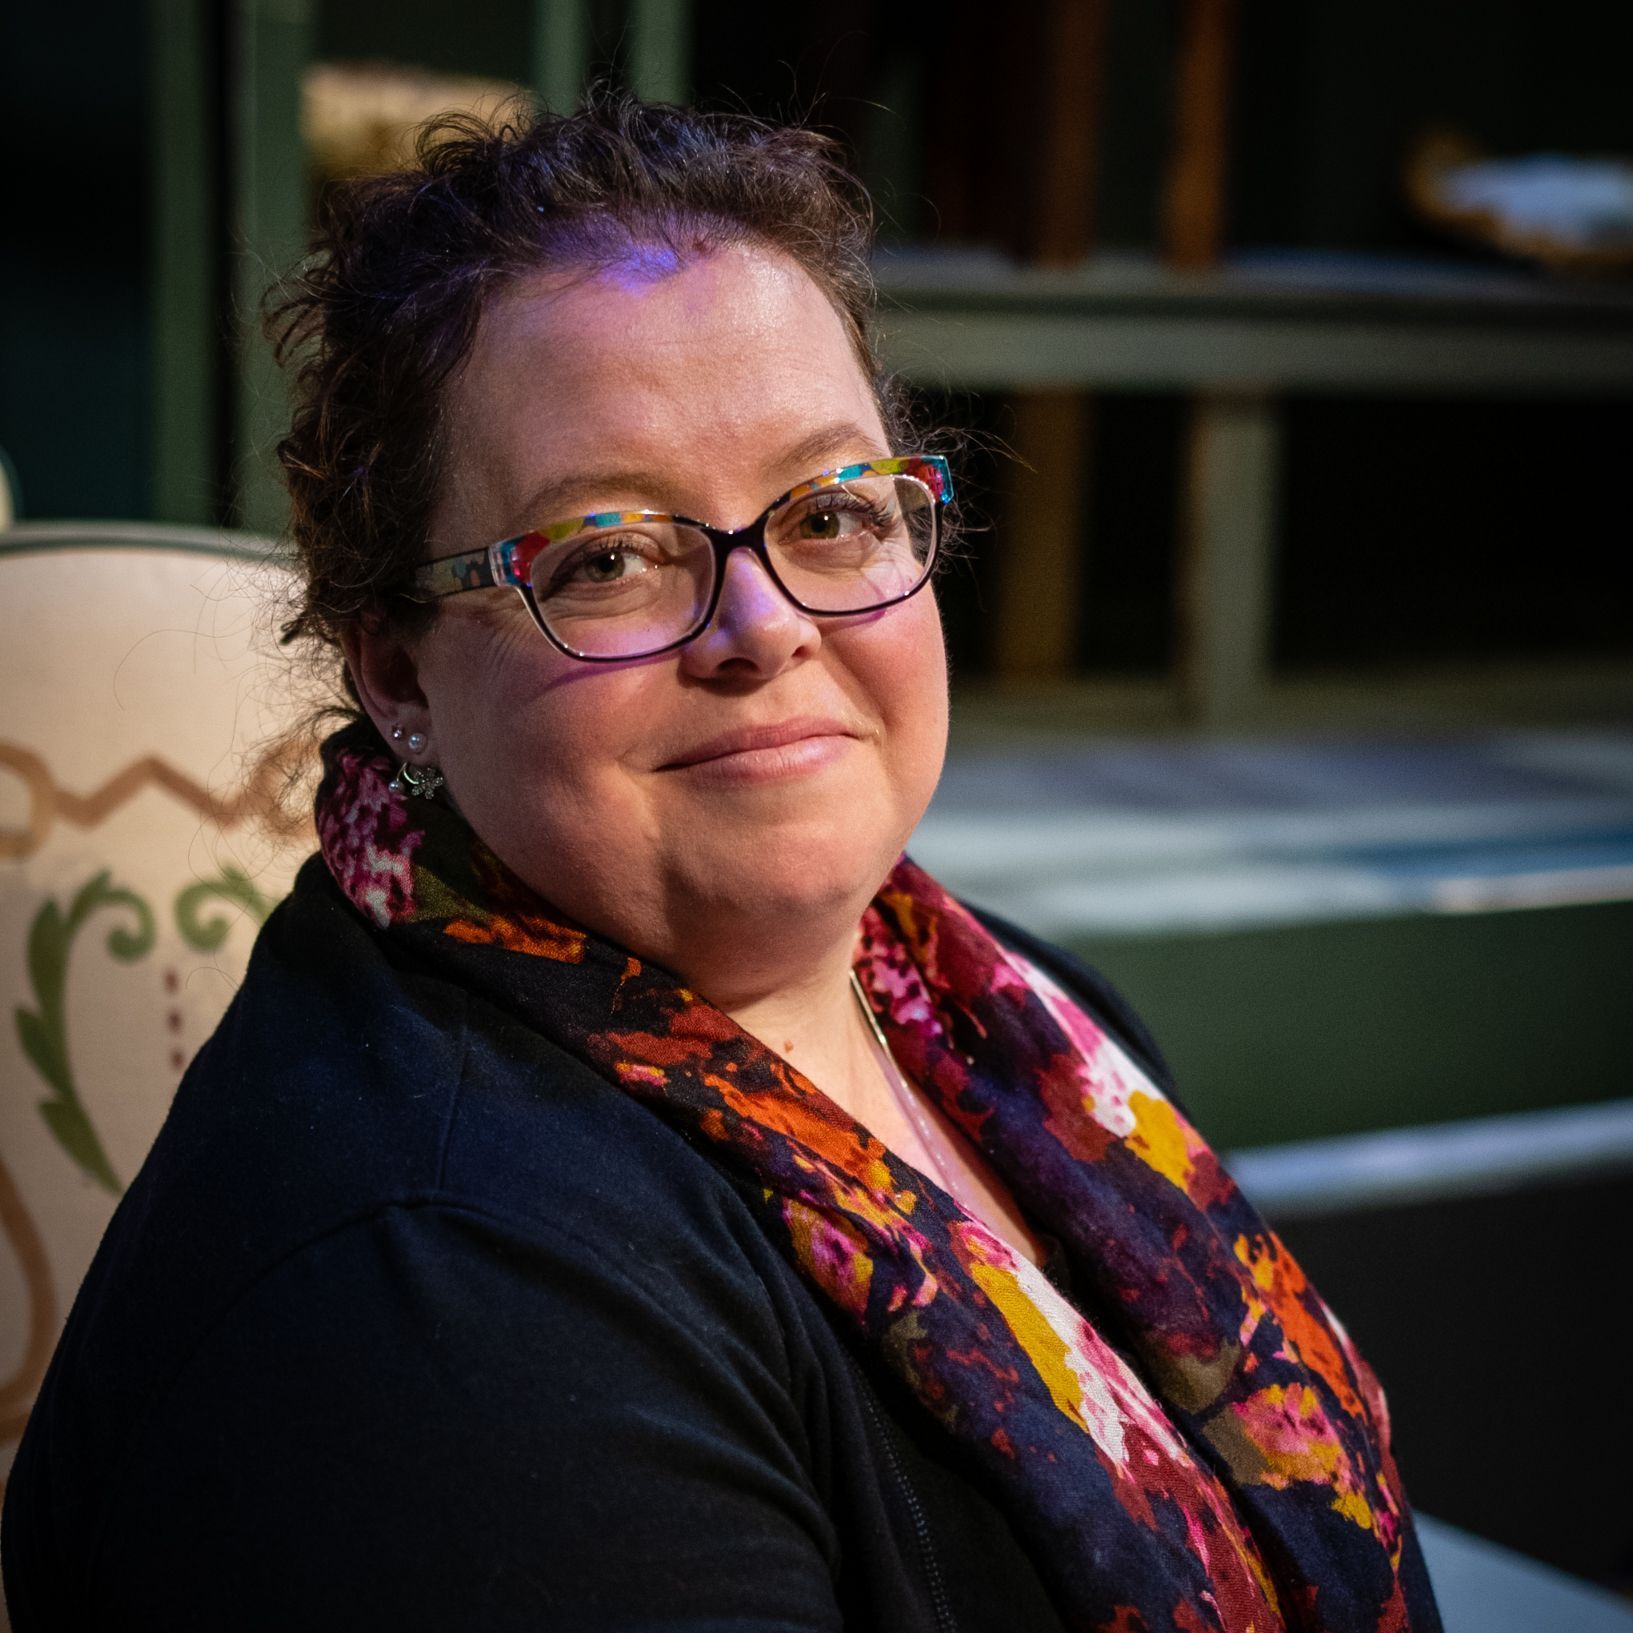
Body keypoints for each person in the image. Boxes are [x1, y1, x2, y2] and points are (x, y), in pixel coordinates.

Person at [2, 93, 1441, 1632]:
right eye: (607, 554)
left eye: (827, 514)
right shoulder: (445, 1301)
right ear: (399, 671)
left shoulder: (1013, 1022)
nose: (765, 632)